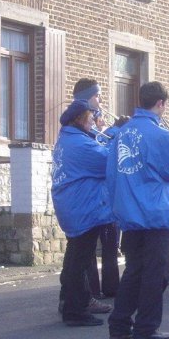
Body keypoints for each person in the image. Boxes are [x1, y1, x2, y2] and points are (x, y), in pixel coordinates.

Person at [106, 81, 169, 339]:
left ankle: (119, 324)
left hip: (129, 214)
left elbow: (111, 174)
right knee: (156, 275)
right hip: (154, 215)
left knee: (134, 271)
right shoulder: (158, 134)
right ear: (161, 104)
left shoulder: (121, 132)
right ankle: (146, 328)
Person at [51, 99, 115, 326]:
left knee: (74, 258)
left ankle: (69, 302)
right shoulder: (81, 144)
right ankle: (74, 311)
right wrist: (116, 136)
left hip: (73, 206)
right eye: (90, 118)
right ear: (79, 119)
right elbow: (109, 162)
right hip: (83, 208)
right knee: (78, 261)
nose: (93, 122)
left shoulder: (68, 139)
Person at [72, 78, 120, 304]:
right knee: (87, 250)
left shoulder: (93, 120)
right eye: (97, 95)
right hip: (91, 198)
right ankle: (91, 293)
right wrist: (110, 133)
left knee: (110, 243)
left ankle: (109, 287)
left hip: (102, 195)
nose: (100, 100)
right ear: (86, 97)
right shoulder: (77, 123)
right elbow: (103, 157)